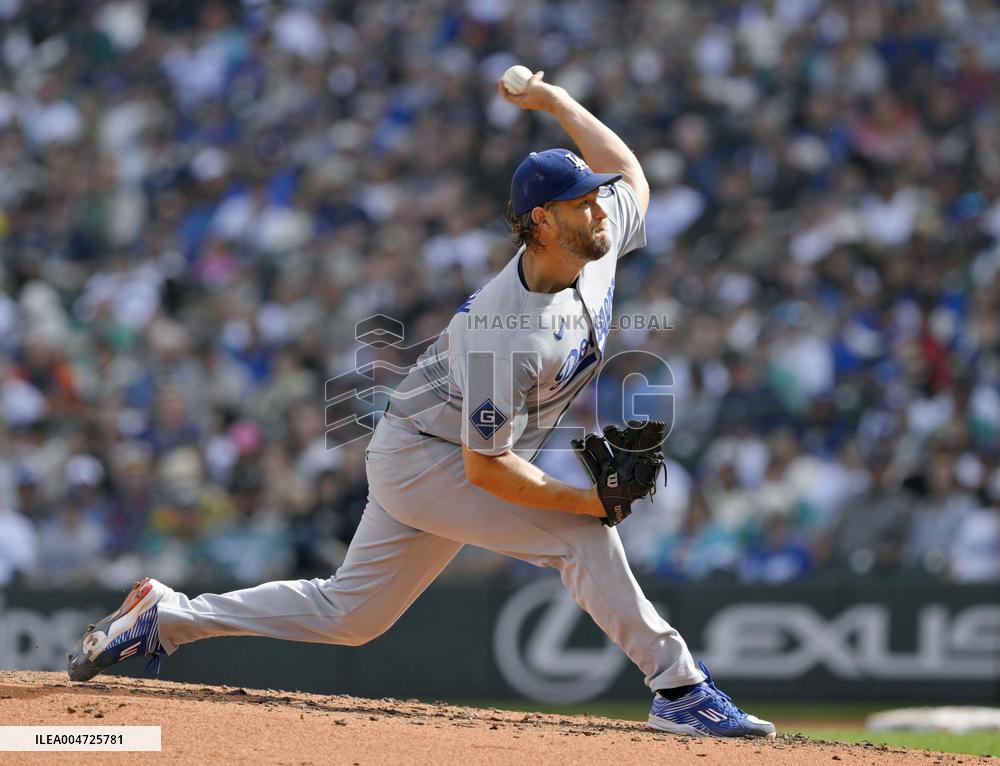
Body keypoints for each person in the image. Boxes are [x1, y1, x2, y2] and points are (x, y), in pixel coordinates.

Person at [67, 71, 775, 740]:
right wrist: (583, 501)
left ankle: (169, 618)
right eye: (581, 201)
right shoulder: (509, 331)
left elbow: (633, 173)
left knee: (351, 614)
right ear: (539, 221)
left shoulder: (593, 240)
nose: (599, 206)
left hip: (435, 445)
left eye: (594, 197)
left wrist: (557, 101)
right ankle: (680, 690)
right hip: (428, 459)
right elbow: (487, 471)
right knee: (581, 538)